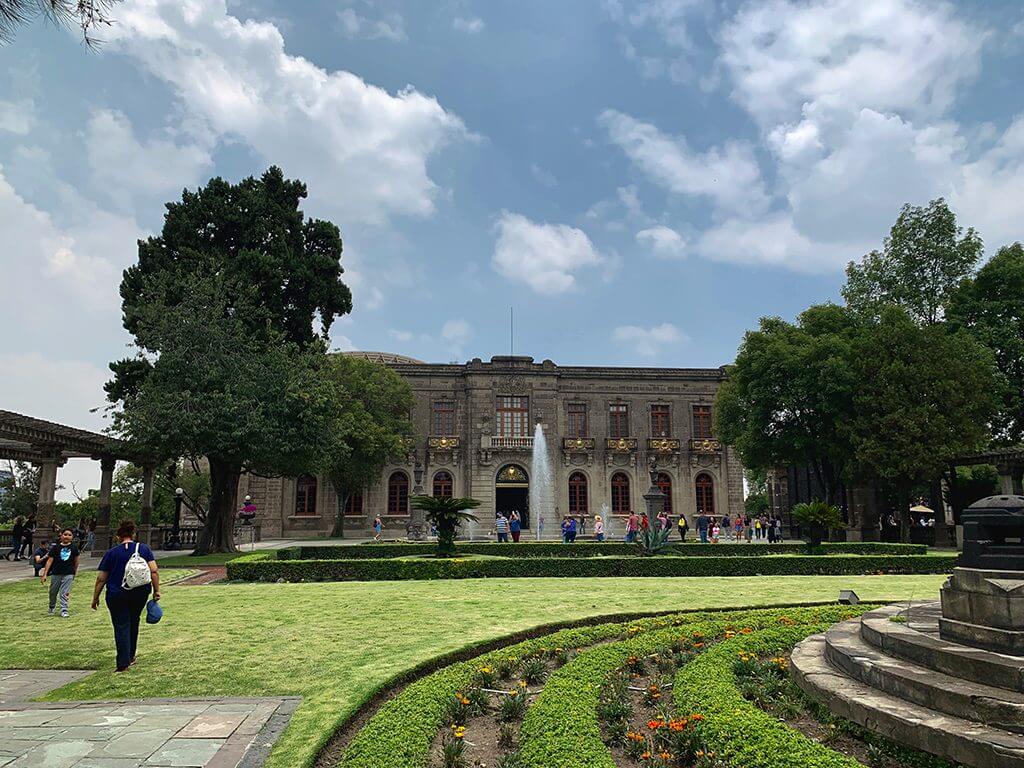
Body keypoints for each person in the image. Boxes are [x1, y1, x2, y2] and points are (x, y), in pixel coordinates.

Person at [92, 520, 160, 672]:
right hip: (140, 591)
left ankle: (123, 663)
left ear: (118, 537)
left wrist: (95, 597)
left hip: (117, 593)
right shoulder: (144, 549)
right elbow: (154, 571)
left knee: (121, 624)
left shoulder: (111, 553)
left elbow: (101, 578)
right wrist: (156, 590)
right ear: (133, 534)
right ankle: (131, 655)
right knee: (134, 620)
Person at [42, 527, 79, 618]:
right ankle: (52, 606)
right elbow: (50, 561)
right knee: (53, 592)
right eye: (65, 534)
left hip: (68, 573)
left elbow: (76, 561)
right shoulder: (56, 548)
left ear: (72, 537)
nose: (67, 537)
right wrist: (45, 573)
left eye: (69, 535)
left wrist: (74, 572)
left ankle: (64, 609)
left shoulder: (74, 548)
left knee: (64, 592)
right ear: (61, 535)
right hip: (56, 573)